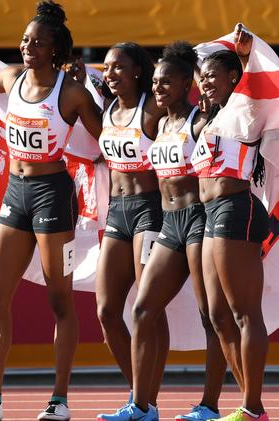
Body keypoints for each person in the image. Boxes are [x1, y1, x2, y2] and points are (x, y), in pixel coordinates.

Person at [0, 1, 101, 420]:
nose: (28, 47)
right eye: (25, 40)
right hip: (16, 194)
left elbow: (109, 136)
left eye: (37, 42)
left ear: (55, 49)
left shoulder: (70, 91)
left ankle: (59, 401)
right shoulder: (11, 78)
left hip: (53, 196)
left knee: (60, 300)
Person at [102, 41, 226, 421]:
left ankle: (209, 405)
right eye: (155, 82)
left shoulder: (200, 121)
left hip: (198, 222)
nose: (158, 88)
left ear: (186, 82)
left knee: (212, 316)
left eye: (166, 82)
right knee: (142, 309)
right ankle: (142, 406)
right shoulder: (159, 123)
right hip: (168, 224)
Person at [190, 24, 269, 421]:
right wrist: (204, 62)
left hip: (237, 208)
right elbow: (195, 68)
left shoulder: (246, 106)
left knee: (243, 313)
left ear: (236, 78)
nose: (204, 82)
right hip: (209, 215)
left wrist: (244, 48)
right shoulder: (209, 117)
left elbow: (262, 72)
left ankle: (253, 406)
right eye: (201, 76)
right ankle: (246, 403)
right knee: (218, 316)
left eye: (212, 75)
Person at [95, 42, 164, 421]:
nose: (110, 74)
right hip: (116, 212)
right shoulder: (104, 110)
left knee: (147, 308)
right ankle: (139, 393)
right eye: (106, 68)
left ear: (138, 71)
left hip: (149, 211)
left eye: (118, 67)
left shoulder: (151, 108)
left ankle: (144, 404)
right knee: (107, 311)